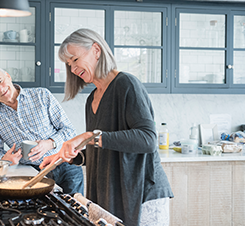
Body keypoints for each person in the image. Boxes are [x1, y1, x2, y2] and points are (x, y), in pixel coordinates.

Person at [40, 29, 174, 226]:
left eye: (75, 59)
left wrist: (89, 136)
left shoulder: (126, 84)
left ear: (96, 50)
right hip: (112, 193)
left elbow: (148, 139)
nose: (73, 68)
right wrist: (68, 157)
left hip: (142, 193)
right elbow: (102, 148)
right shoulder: (92, 99)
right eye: (69, 64)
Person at [0, 66, 84, 195]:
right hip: (33, 172)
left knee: (75, 210)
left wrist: (50, 143)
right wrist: (5, 160)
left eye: (0, 81)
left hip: (66, 164)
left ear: (8, 76)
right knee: (43, 212)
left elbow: (69, 131)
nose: (0, 89)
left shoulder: (42, 95)